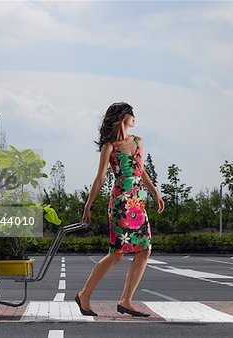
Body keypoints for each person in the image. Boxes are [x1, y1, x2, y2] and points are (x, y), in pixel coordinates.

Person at [75, 102, 165, 317]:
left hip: (138, 202)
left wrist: (155, 193)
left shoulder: (139, 142)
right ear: (124, 116)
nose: (135, 119)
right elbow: (99, 179)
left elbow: (141, 172)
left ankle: (126, 300)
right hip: (120, 204)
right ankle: (84, 295)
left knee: (145, 250)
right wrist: (88, 206)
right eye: (132, 114)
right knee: (117, 254)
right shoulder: (110, 146)